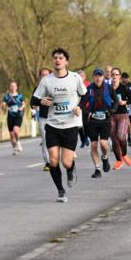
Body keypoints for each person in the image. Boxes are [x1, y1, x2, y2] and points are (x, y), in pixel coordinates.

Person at [32, 48, 86, 203]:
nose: (57, 60)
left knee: (66, 162)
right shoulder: (47, 80)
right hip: (52, 125)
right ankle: (60, 191)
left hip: (70, 125)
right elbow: (33, 100)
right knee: (53, 161)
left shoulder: (75, 78)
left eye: (60, 58)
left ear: (66, 62)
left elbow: (84, 94)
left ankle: (71, 168)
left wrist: (79, 106)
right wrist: (41, 101)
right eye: (55, 58)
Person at [83, 68, 114, 178]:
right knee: (94, 145)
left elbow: (115, 101)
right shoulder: (89, 89)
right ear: (93, 77)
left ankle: (105, 158)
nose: (98, 78)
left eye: (100, 76)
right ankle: (97, 169)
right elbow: (82, 103)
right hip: (93, 121)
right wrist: (87, 113)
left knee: (104, 144)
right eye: (96, 76)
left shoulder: (108, 88)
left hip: (105, 120)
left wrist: (112, 111)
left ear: (103, 77)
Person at [109, 68, 131, 169]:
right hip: (111, 115)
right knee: (114, 139)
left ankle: (124, 154)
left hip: (122, 114)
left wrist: (125, 102)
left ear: (119, 76)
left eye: (116, 74)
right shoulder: (107, 88)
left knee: (121, 137)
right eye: (113, 74)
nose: (114, 76)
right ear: (111, 76)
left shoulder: (125, 88)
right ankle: (119, 160)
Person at [1, 81, 26, 155]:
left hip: (18, 115)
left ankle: (18, 142)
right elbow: (3, 106)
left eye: (14, 86)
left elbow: (24, 104)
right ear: (10, 87)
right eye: (11, 86)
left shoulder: (20, 96)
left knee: (15, 131)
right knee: (11, 135)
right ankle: (14, 149)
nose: (13, 87)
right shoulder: (6, 96)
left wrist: (21, 108)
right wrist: (3, 106)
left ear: (16, 87)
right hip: (10, 116)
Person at [35, 67, 52, 170]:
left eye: (47, 74)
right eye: (43, 74)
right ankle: (47, 162)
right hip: (43, 118)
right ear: (40, 76)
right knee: (45, 140)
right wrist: (39, 101)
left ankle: (54, 159)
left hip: (55, 118)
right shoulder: (37, 89)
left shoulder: (55, 87)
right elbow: (32, 103)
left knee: (55, 141)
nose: (45, 76)